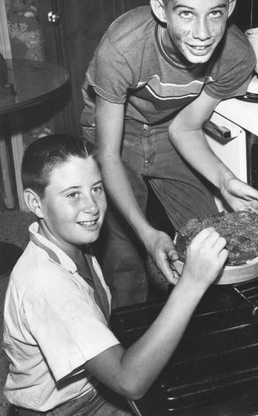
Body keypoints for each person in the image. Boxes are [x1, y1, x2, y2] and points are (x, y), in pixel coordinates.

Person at [80, 0, 258, 308]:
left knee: (211, 240)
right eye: (186, 14)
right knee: (122, 254)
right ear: (160, 10)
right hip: (114, 134)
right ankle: (128, 344)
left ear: (229, 10)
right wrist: (148, 235)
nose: (202, 33)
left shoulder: (237, 55)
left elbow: (185, 128)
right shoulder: (123, 46)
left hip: (172, 126)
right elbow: (107, 154)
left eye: (214, 14)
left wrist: (225, 180)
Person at [2, 134, 228, 415]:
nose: (92, 207)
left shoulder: (71, 241)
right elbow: (129, 382)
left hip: (91, 388)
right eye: (73, 194)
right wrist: (192, 284)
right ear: (35, 204)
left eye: (96, 189)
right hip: (65, 409)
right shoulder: (47, 286)